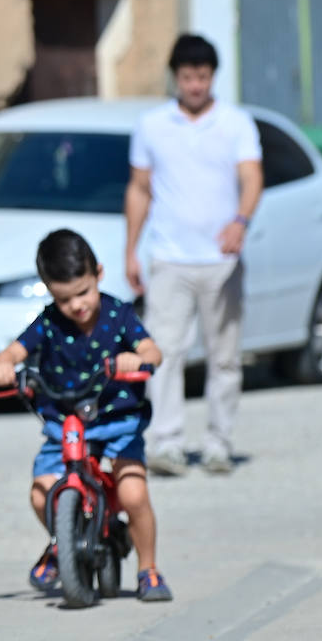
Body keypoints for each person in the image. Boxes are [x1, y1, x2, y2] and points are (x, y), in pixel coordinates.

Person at [0, 229, 172, 603]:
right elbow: (14, 351)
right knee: (42, 493)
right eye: (64, 298)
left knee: (133, 493)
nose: (76, 305)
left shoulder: (118, 315)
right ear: (48, 290)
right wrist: (3, 365)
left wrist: (137, 358)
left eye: (83, 292)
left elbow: (153, 351)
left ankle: (148, 568)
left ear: (99, 274)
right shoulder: (48, 323)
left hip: (117, 421)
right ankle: (62, 543)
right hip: (65, 423)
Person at [124, 33, 262, 476]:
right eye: (187, 77)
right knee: (163, 351)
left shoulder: (236, 124)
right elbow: (139, 188)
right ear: (175, 78)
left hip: (221, 263)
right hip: (169, 258)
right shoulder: (152, 125)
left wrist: (240, 222)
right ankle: (167, 443)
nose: (196, 86)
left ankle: (219, 441)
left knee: (224, 355)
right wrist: (130, 250)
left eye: (202, 77)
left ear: (213, 77)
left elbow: (252, 178)